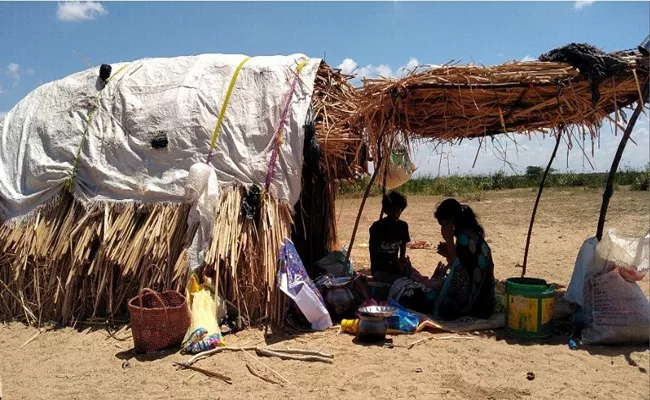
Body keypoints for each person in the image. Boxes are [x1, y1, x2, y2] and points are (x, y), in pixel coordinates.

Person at [391, 198, 495, 320]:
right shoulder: (473, 235)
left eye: (443, 225)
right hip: (485, 303)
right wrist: (449, 252)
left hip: (474, 306)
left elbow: (459, 279)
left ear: (452, 222)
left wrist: (449, 241)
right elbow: (464, 264)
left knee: (419, 297)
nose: (442, 230)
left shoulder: (464, 239)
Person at [368, 191, 413, 284]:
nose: (395, 214)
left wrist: (403, 261)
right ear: (387, 210)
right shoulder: (377, 227)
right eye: (393, 210)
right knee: (402, 281)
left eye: (398, 210)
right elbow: (373, 254)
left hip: (395, 267)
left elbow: (402, 248)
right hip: (380, 270)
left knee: (412, 276)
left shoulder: (403, 226)